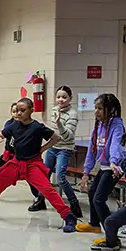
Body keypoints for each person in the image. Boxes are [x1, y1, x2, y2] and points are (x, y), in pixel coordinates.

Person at [0, 98, 78, 232]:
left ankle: (68, 216)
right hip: (16, 163)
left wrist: (42, 149)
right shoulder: (13, 125)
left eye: (23, 110)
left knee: (47, 189)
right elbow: (0, 134)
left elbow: (56, 138)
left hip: (33, 164)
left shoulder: (37, 127)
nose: (19, 113)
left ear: (31, 111)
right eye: (17, 110)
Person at [29, 85, 81, 218]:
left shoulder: (73, 114)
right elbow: (51, 131)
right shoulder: (54, 110)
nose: (61, 100)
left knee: (61, 177)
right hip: (53, 147)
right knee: (44, 175)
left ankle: (74, 204)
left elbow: (68, 135)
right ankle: (40, 200)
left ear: (70, 98)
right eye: (58, 97)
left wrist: (59, 123)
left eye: (64, 97)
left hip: (65, 148)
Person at [77, 93, 125, 234]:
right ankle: (94, 224)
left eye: (100, 108)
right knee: (92, 193)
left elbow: (116, 145)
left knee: (99, 199)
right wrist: (86, 172)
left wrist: (113, 162)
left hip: (113, 167)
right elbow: (91, 151)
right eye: (95, 108)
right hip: (104, 166)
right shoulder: (98, 126)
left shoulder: (117, 125)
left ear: (110, 110)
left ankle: (111, 233)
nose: (96, 112)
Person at [0, 102, 40, 201]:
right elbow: (2, 134)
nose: (17, 114)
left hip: (21, 157)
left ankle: (38, 196)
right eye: (14, 111)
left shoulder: (29, 125)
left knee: (29, 177)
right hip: (8, 154)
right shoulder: (10, 125)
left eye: (20, 111)